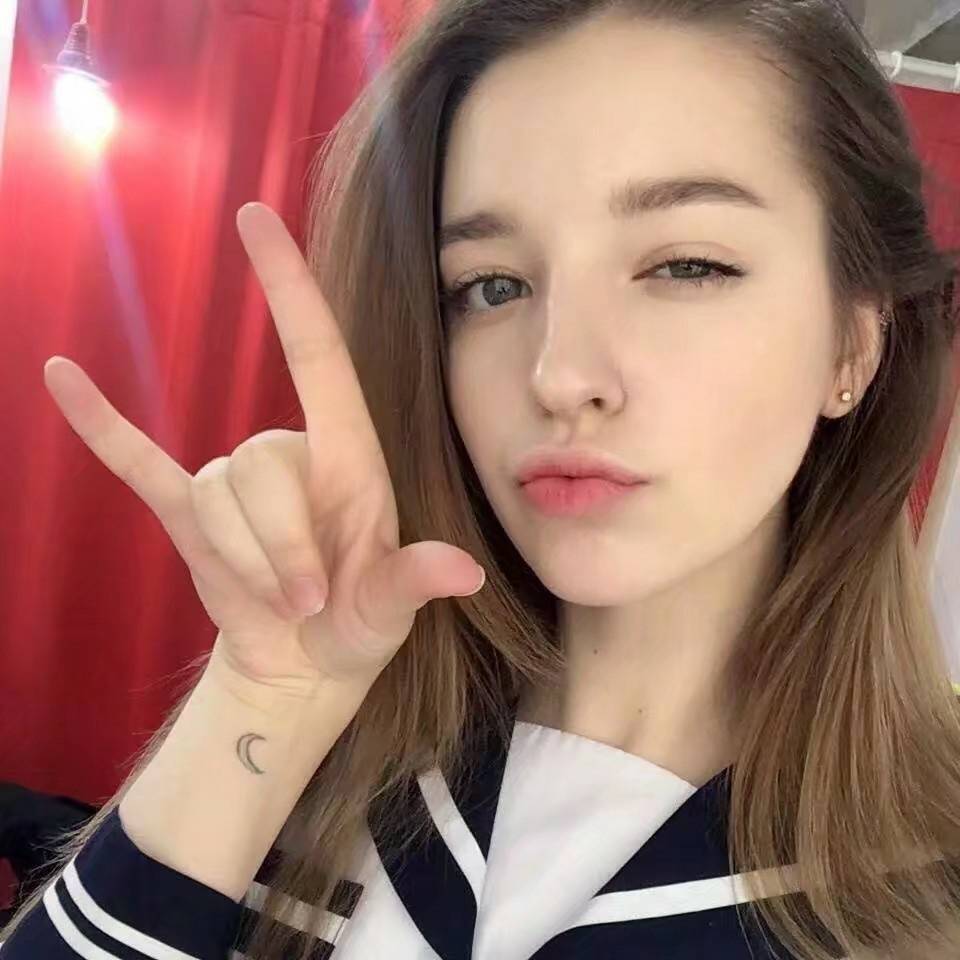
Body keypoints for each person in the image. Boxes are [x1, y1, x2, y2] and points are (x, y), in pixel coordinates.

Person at [3, 0, 960, 957]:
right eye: (492, 286)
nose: (559, 375)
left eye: (685, 266)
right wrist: (261, 702)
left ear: (853, 343)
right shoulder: (324, 764)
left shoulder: (924, 881)